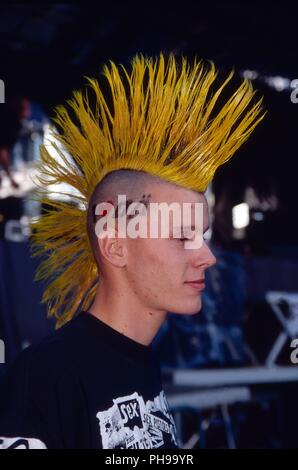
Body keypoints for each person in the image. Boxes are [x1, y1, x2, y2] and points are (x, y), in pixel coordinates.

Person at [0, 54, 264, 449]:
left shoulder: (141, 361)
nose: (208, 256)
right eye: (181, 236)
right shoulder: (46, 378)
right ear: (115, 245)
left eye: (203, 235)